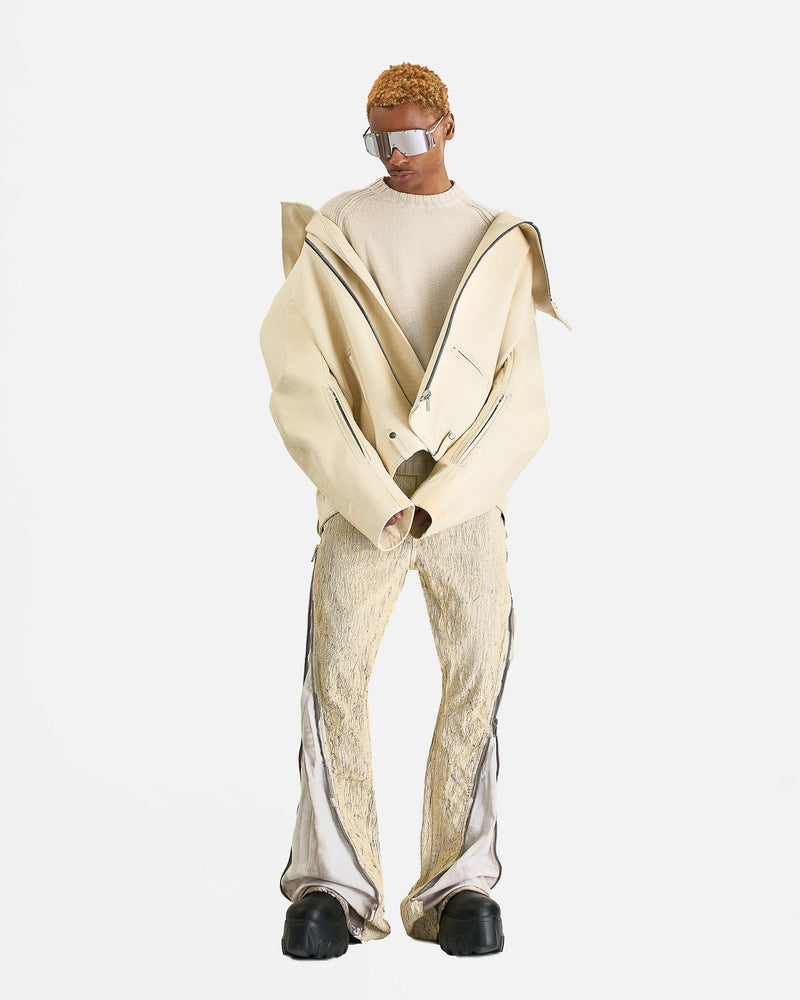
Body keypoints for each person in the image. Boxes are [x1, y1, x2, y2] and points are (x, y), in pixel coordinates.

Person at [259, 62, 570, 959]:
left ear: (447, 127)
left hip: (467, 505)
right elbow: (302, 373)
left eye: (406, 136)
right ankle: (334, 887)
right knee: (333, 681)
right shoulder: (340, 226)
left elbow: (521, 396)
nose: (392, 155)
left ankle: (459, 887)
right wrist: (370, 494)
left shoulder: (495, 239)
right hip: (363, 504)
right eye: (377, 139)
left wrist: (449, 496)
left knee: (477, 677)